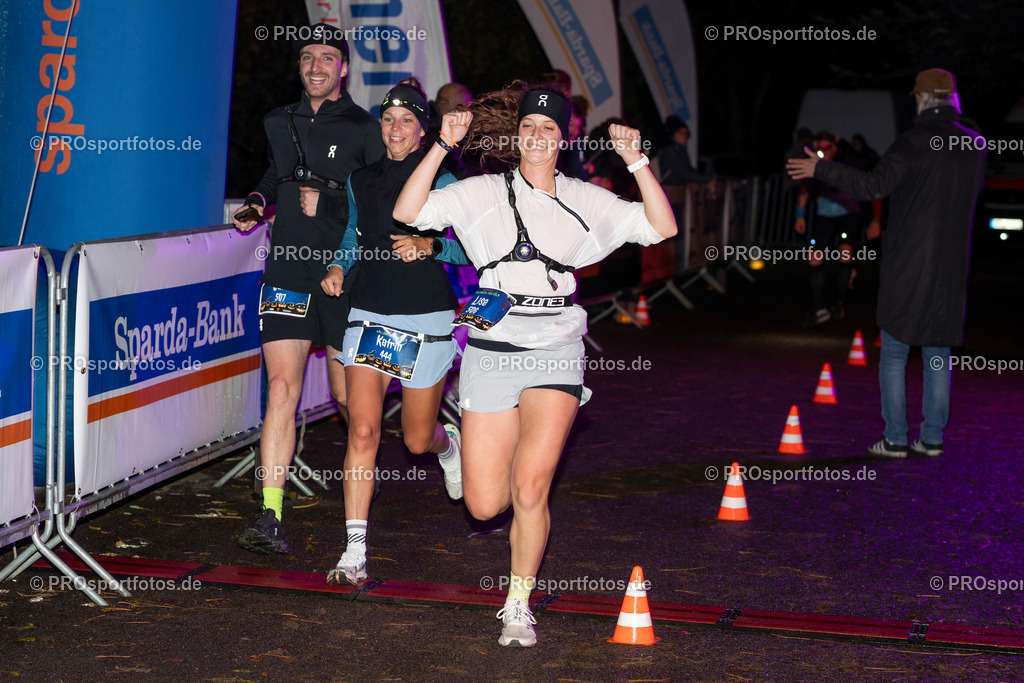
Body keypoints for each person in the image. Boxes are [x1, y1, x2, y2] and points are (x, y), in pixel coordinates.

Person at [393, 83, 678, 647]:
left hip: (556, 345)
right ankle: (450, 445)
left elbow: (661, 227)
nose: (539, 136)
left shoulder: (585, 197)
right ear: (515, 134)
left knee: (530, 487)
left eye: (551, 127)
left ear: (565, 136)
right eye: (530, 127)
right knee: (483, 503)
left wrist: (637, 162)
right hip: (492, 348)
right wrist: (440, 147)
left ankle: (518, 604)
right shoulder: (481, 192)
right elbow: (408, 211)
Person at [233, 25, 384, 554]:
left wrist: (331, 206)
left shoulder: (367, 128)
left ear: (344, 67)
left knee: (349, 400)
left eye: (327, 58)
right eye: (306, 57)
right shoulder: (279, 120)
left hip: (344, 278)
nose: (316, 66)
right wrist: (256, 200)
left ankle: (365, 487)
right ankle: (269, 514)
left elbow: (376, 206)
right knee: (281, 391)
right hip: (289, 274)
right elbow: (277, 174)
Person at [316, 78, 470, 585]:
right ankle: (354, 549)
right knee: (362, 430)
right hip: (370, 314)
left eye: (407, 120)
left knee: (417, 438)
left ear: (423, 129)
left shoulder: (444, 181)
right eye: (388, 119)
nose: (396, 128)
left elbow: (473, 252)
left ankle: (451, 449)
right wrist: (340, 268)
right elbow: (352, 236)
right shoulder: (362, 179)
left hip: (426, 317)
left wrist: (430, 247)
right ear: (379, 125)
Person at [787, 68, 987, 458]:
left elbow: (872, 186)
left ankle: (895, 438)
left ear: (920, 99)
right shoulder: (975, 144)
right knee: (938, 352)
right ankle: (932, 438)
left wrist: (821, 168)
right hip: (951, 266)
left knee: (895, 350)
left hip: (910, 263)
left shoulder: (912, 142)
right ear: (953, 98)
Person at [793, 132, 881, 325]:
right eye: (818, 149)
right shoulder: (816, 159)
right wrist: (800, 216)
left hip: (849, 212)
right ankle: (819, 308)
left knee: (845, 252)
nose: (822, 153)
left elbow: (875, 187)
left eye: (826, 148)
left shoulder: (851, 159)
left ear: (835, 146)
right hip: (824, 212)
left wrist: (875, 220)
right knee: (814, 255)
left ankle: (839, 304)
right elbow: (805, 187)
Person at [657, 116, 712, 185]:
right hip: (669, 191)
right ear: (673, 134)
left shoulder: (679, 149)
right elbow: (684, 174)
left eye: (687, 133)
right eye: (681, 133)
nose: (684, 136)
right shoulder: (669, 150)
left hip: (679, 190)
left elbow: (689, 169)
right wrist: (708, 179)